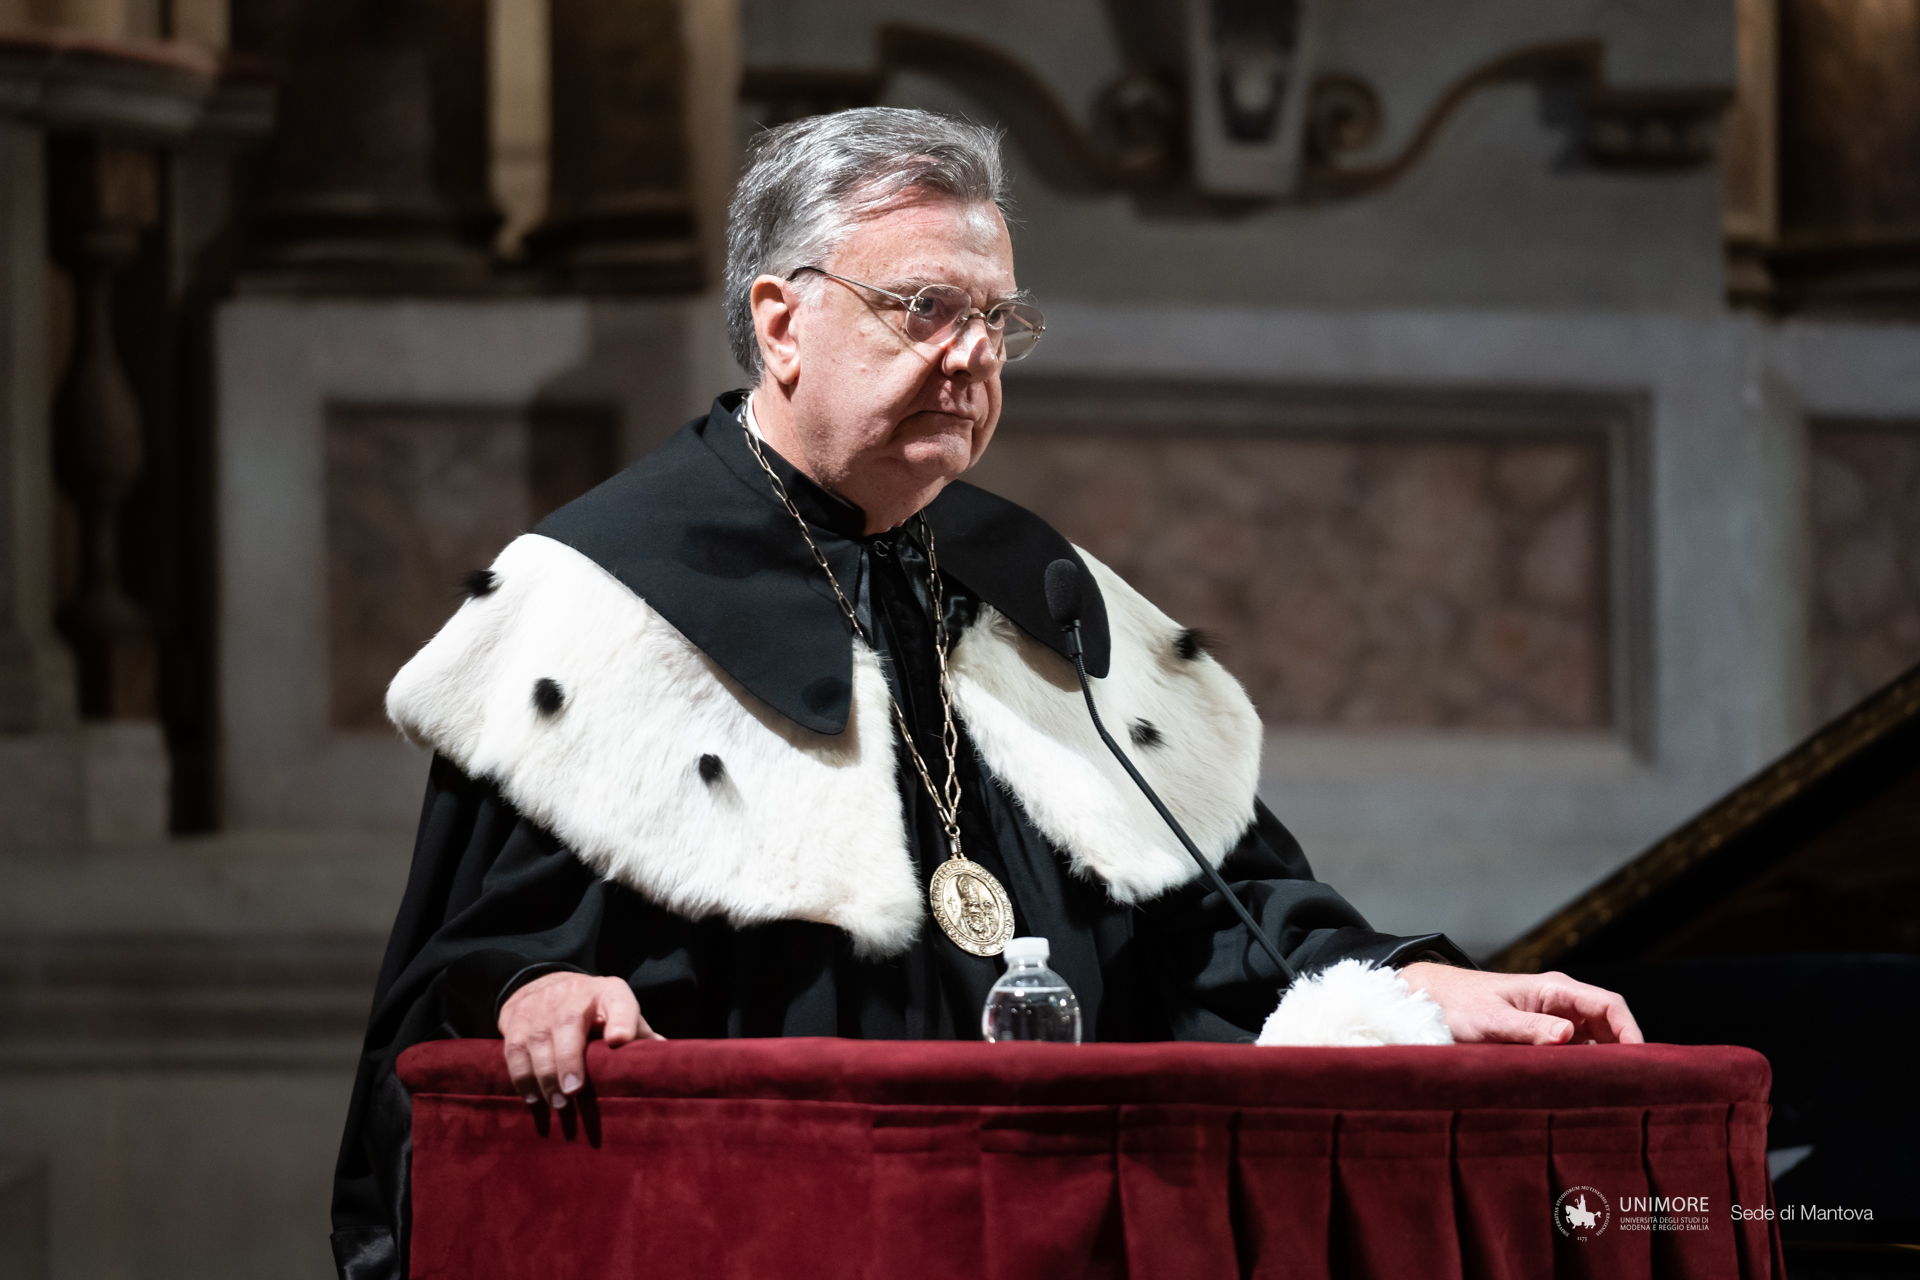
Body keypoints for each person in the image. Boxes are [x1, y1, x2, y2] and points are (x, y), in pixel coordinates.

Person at [329, 106, 1640, 1280]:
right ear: (782, 323)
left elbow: (1209, 916)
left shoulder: (1037, 590)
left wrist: (1406, 986)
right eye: (925, 309)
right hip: (765, 1233)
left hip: (1063, 1230)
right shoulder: (608, 600)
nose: (973, 357)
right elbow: (475, 967)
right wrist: (528, 995)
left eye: (996, 320)